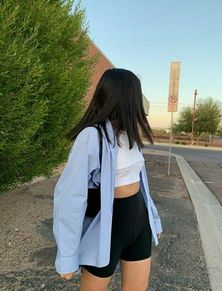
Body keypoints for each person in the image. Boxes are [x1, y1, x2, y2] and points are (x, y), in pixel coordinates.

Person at [53, 68, 163, 291]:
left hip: (139, 221)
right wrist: (67, 255)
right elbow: (70, 196)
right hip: (108, 225)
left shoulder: (129, 134)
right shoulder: (92, 136)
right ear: (126, 97)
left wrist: (154, 220)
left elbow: (141, 183)